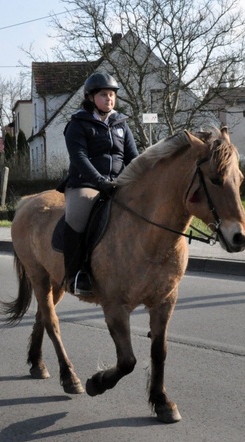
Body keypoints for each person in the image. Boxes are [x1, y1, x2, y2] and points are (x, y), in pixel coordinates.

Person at [61, 72, 139, 296]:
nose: (109, 99)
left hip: (117, 183)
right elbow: (79, 158)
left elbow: (133, 158)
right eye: (104, 95)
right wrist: (100, 182)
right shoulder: (78, 124)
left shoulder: (121, 123)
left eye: (112, 95)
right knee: (78, 217)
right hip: (85, 184)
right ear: (90, 97)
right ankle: (75, 274)